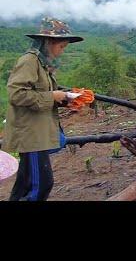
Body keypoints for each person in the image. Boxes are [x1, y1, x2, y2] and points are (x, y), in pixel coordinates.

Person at [3, 17, 84, 201]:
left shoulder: (41, 64)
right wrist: (52, 97)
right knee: (40, 186)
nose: (61, 52)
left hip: (37, 133)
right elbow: (16, 95)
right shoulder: (29, 62)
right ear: (48, 42)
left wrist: (65, 99)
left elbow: (40, 94)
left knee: (25, 184)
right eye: (61, 47)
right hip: (31, 135)